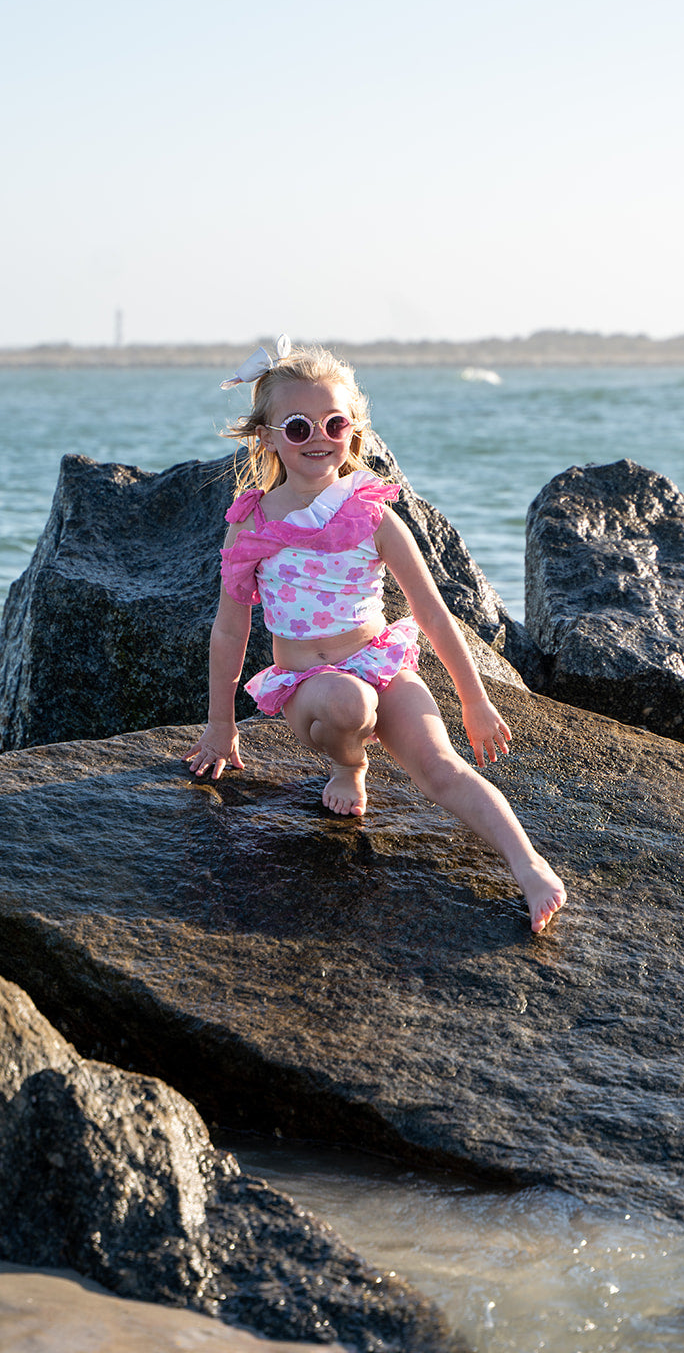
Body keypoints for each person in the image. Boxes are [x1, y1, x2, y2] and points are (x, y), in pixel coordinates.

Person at [184, 340, 567, 933]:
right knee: (346, 702)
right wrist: (220, 724)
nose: (319, 436)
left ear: (353, 430)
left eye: (334, 423)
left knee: (442, 768)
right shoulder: (252, 525)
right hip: (313, 686)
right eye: (298, 425)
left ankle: (529, 863)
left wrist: (475, 700)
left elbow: (434, 613)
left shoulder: (372, 513)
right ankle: (349, 764)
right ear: (266, 436)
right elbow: (229, 631)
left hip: (381, 664)